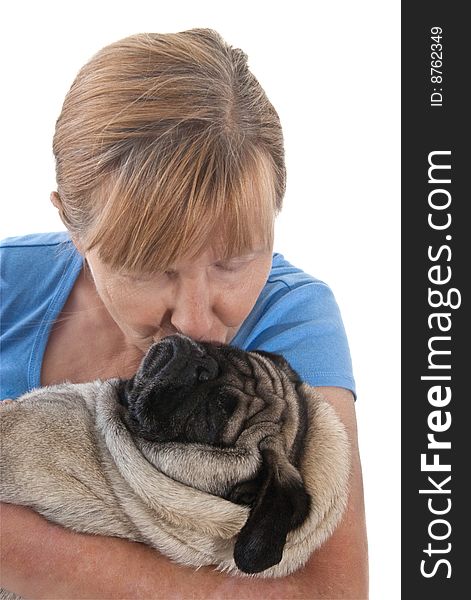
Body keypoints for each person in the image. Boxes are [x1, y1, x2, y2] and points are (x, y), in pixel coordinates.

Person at [0, 28, 368, 598]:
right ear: (72, 227)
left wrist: (20, 550)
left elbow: (329, 593)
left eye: (235, 261)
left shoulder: (294, 317)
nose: (196, 323)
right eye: (149, 266)